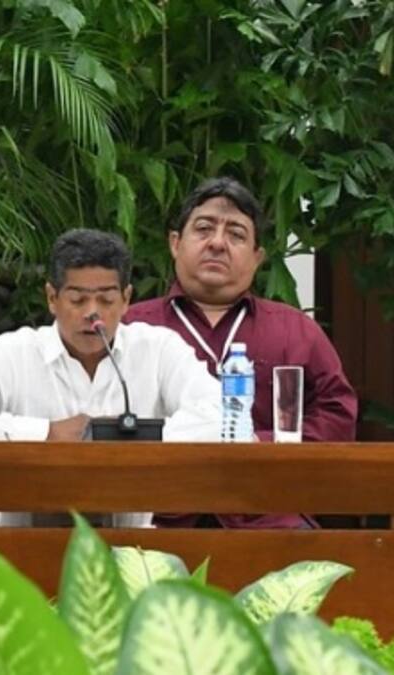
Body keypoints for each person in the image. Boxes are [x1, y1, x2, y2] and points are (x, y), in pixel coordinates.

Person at [0, 228, 221, 527]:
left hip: (130, 549)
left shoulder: (158, 349)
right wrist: (44, 434)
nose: (92, 313)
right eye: (77, 300)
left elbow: (223, 417)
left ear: (126, 299)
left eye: (106, 300)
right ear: (52, 298)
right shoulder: (14, 353)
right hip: (22, 549)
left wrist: (134, 439)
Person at [124, 177, 357, 529]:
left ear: (257, 257)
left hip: (268, 514)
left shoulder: (295, 331)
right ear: (175, 243)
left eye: (236, 234)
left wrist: (261, 443)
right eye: (204, 229)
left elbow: (337, 416)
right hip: (159, 516)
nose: (217, 243)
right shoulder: (132, 327)